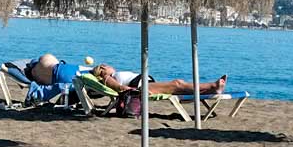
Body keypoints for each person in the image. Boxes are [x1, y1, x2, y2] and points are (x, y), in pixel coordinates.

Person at [91, 63, 227, 97]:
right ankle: (213, 86)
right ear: (102, 69)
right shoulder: (107, 78)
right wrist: (135, 92)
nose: (109, 65)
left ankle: (210, 90)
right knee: (177, 84)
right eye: (106, 65)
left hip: (145, 83)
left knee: (178, 88)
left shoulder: (112, 75)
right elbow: (119, 88)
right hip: (142, 88)